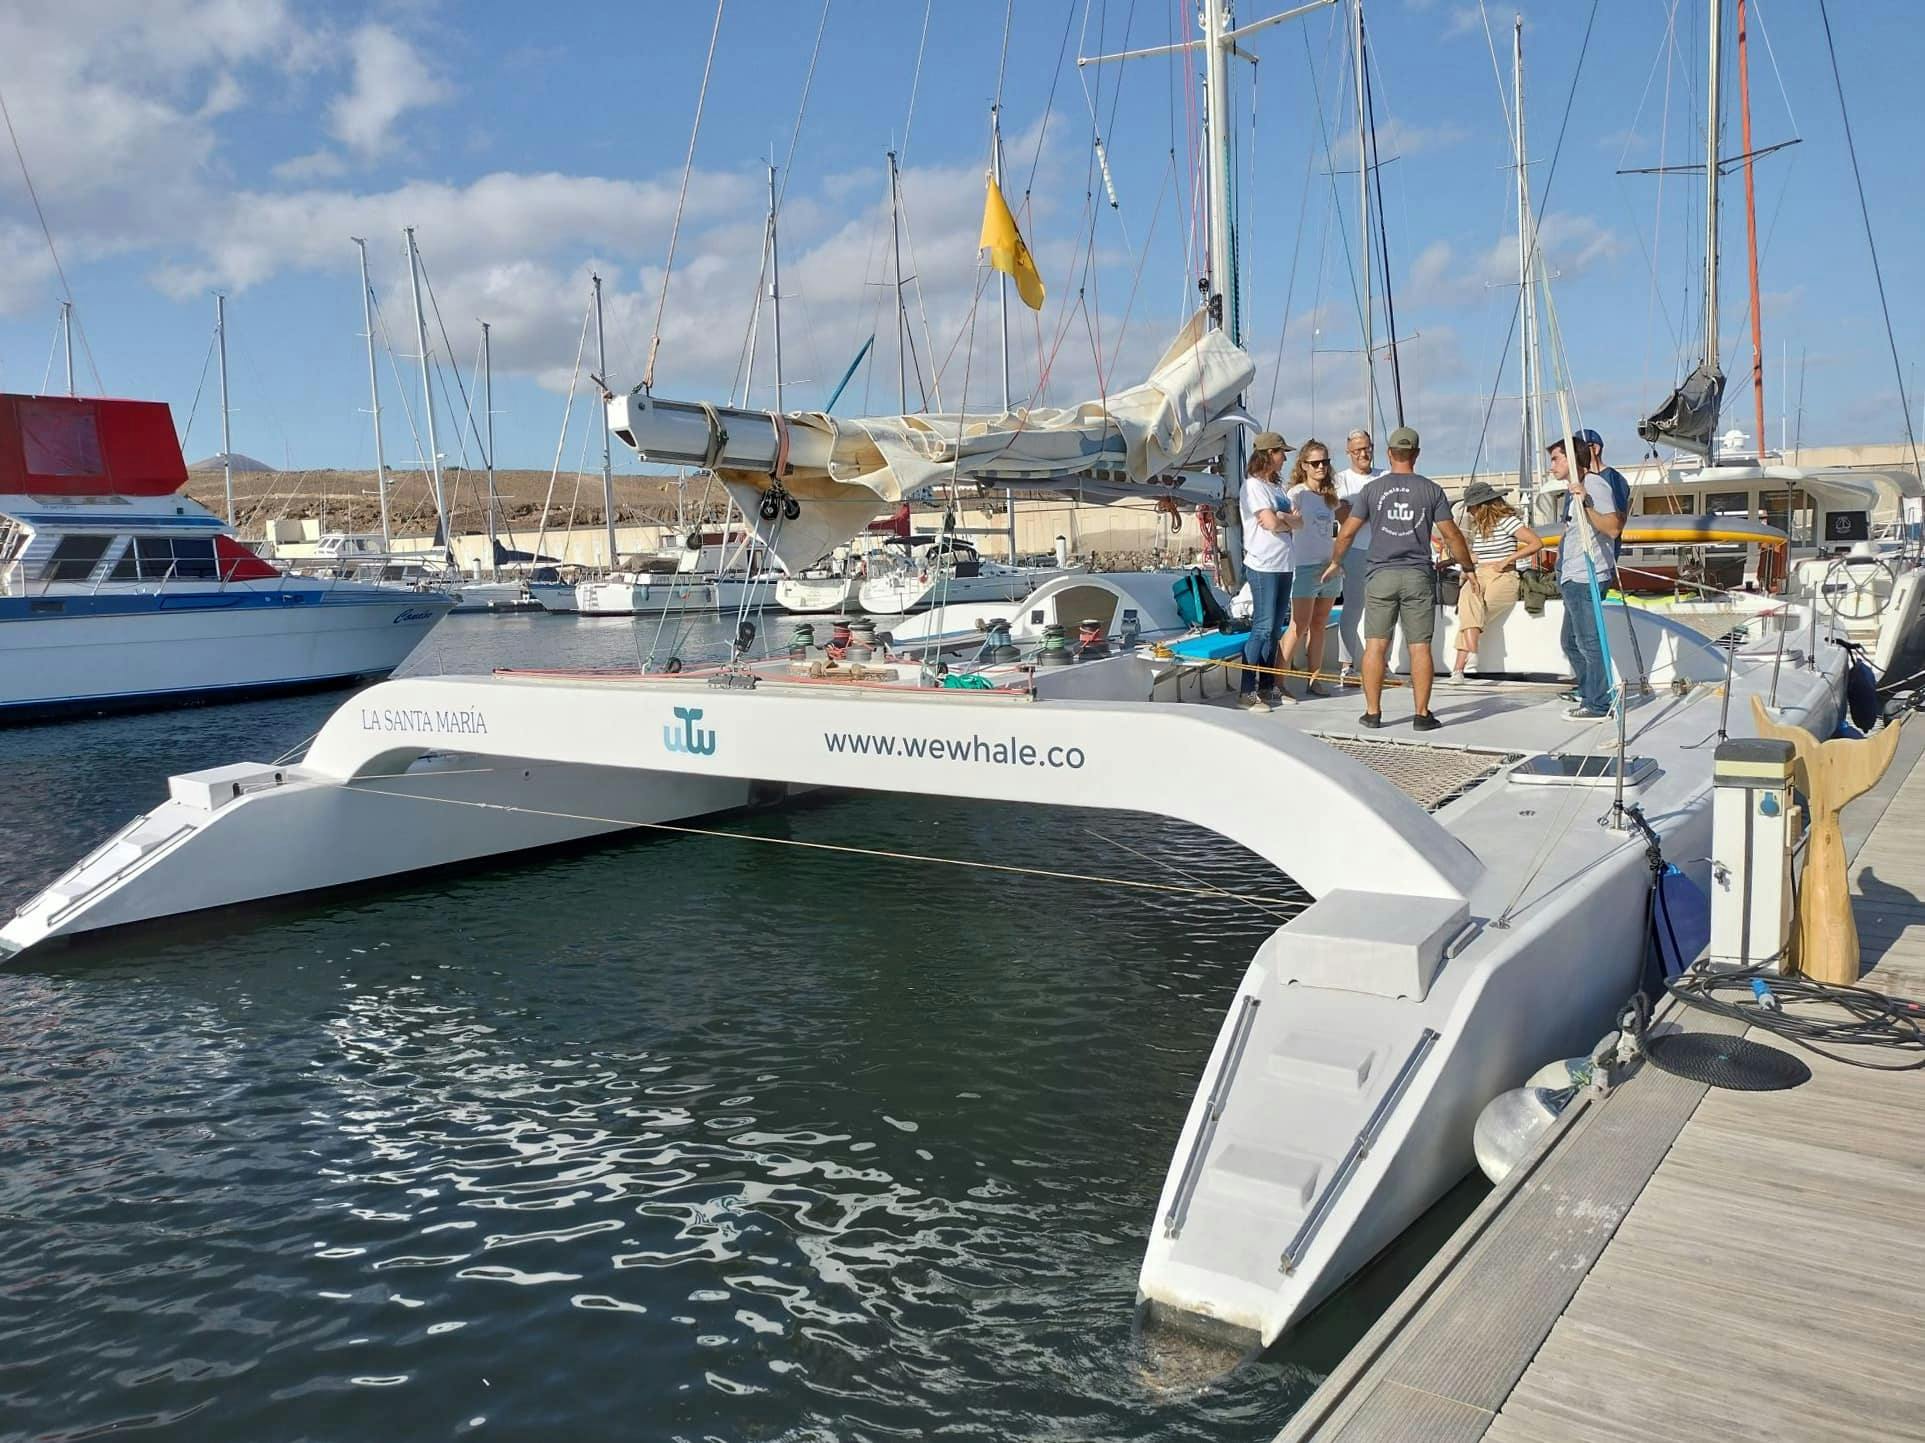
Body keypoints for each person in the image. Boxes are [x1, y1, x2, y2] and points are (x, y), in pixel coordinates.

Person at [1321, 426, 1479, 731]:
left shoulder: (1371, 490)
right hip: (1418, 575)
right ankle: (1421, 714)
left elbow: (1349, 531)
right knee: (1419, 647)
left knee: (1375, 645)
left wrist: (1336, 561)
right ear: (1416, 455)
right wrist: (1468, 567)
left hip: (1380, 574)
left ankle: (1372, 712)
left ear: (1390, 454)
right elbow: (1452, 534)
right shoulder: (1432, 490)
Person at [1548, 432, 1623, 720]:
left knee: (1590, 642)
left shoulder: (1594, 485)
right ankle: (1588, 690)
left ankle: (1599, 703)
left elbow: (1613, 527)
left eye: (1556, 459)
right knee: (1570, 642)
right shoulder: (1573, 489)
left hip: (1586, 575)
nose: (1551, 466)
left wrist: (1587, 502)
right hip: (1572, 576)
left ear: (1571, 457)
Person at [1449, 480, 1544, 683]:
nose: (1470, 512)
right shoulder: (1480, 528)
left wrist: (1508, 560)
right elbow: (1479, 557)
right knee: (1468, 601)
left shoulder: (1508, 521)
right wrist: (1454, 560)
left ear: (1482, 505)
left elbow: (1536, 543)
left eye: (1471, 507)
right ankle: (1470, 655)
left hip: (1505, 575)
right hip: (1481, 573)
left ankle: (1458, 669)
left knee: (1474, 613)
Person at [1236, 430, 1300, 712]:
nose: (1284, 457)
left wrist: (1285, 518)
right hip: (1263, 564)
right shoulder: (1253, 487)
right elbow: (1271, 523)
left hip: (1284, 563)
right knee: (1262, 627)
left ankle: (1267, 685)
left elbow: (1297, 522)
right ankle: (1247, 690)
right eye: (1280, 452)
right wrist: (1286, 520)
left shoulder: (1276, 488)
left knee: (1274, 629)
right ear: (1267, 455)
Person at [1279, 440, 1342, 699]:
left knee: (1319, 625)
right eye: (1315, 463)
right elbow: (1284, 521)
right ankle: (1278, 681)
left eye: (1324, 462)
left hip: (1329, 568)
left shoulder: (1330, 497)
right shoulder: (1296, 493)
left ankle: (1314, 680)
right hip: (1304, 568)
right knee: (1299, 624)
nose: (1320, 467)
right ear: (1304, 465)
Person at [1332, 428, 1382, 681]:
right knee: (1353, 608)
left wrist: (1359, 511)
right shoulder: (1340, 481)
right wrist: (1369, 511)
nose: (1364, 453)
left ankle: (1379, 664)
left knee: (1383, 611)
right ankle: (1347, 665)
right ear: (1349, 452)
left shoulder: (1385, 476)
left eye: (1367, 448)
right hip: (1355, 551)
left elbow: (1360, 515)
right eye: (1358, 449)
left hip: (1384, 552)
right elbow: (1343, 517)